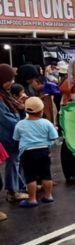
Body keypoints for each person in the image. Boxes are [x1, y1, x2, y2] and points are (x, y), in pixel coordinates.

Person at [12, 97, 58, 207]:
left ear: (26, 111)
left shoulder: (20, 124)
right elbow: (54, 137)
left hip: (27, 153)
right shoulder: (46, 123)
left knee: (30, 176)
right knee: (46, 174)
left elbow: (16, 138)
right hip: (44, 151)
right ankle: (48, 196)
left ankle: (32, 199)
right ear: (41, 111)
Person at [0, 64, 28, 202]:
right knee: (13, 161)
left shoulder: (4, 94)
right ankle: (12, 191)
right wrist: (24, 125)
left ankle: (19, 187)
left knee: (16, 161)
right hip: (7, 136)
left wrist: (21, 109)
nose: (12, 83)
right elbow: (7, 120)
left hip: (11, 134)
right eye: (8, 80)